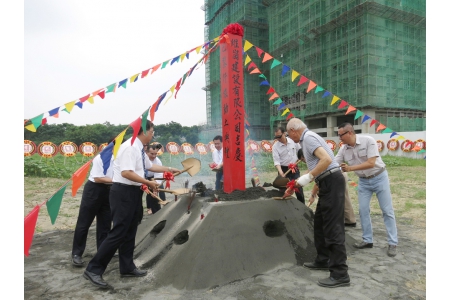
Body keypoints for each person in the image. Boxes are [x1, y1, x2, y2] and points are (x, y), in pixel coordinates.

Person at [83, 121, 181, 289]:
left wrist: (169, 169)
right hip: (123, 193)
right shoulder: (130, 147)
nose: (153, 135)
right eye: (152, 132)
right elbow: (126, 173)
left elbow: (150, 166)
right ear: (144, 132)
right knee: (119, 232)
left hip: (134, 193)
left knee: (130, 230)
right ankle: (93, 269)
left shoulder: (139, 148)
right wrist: (148, 183)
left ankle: (127, 267)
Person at [284, 117, 350, 288]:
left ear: (293, 130)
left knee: (332, 228)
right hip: (325, 183)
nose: (290, 138)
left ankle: (340, 273)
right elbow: (317, 167)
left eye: (289, 135)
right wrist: (303, 187)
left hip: (332, 182)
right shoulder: (306, 139)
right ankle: (323, 259)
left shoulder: (309, 138)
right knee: (320, 224)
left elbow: (326, 161)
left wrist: (305, 179)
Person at [335, 122, 398, 257]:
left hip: (379, 177)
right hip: (363, 181)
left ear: (350, 133)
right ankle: (367, 240)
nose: (339, 138)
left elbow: (371, 163)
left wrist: (350, 168)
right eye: (338, 135)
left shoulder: (368, 141)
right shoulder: (343, 149)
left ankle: (393, 242)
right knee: (363, 210)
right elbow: (334, 164)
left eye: (341, 135)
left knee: (387, 211)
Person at [71, 137, 116, 267]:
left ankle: (102, 252)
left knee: (105, 223)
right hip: (94, 191)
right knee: (84, 223)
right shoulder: (101, 157)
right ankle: (77, 254)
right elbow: (98, 178)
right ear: (111, 145)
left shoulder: (119, 158)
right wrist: (117, 180)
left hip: (109, 191)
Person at [272, 127, 305, 203]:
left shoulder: (293, 141)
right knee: (283, 191)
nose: (278, 139)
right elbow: (277, 161)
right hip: (284, 170)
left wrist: (301, 158)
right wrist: (281, 173)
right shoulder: (275, 147)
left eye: (279, 136)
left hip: (294, 169)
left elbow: (300, 150)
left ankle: (302, 206)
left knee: (298, 189)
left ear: (284, 133)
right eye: (276, 137)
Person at [145, 143, 166, 215]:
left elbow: (159, 175)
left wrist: (155, 187)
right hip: (144, 177)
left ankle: (159, 209)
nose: (154, 156)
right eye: (151, 154)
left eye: (155, 154)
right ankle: (149, 208)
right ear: (146, 152)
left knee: (159, 190)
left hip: (155, 177)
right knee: (149, 193)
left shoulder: (158, 161)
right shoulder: (142, 159)